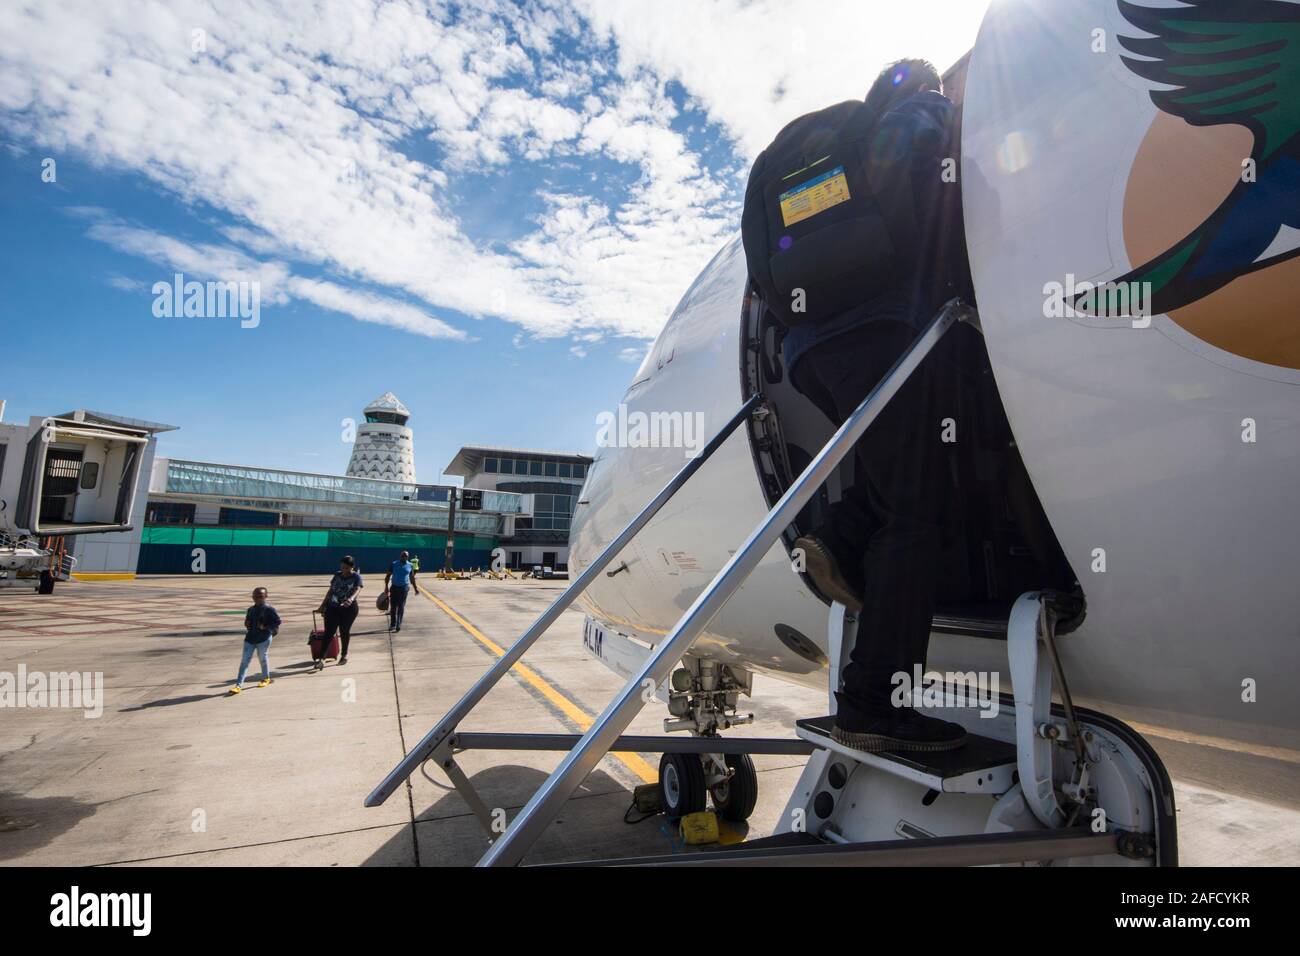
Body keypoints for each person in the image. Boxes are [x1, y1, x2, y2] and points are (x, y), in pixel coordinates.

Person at [785, 60, 966, 754]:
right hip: (877, 330)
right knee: (918, 510)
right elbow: (916, 160)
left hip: (813, 350)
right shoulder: (910, 113)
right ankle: (875, 702)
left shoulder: (827, 155)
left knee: (896, 471)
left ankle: (836, 537)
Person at [230, 586, 279, 695]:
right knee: (244, 662)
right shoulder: (250, 610)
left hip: (264, 638)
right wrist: (247, 624)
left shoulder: (269, 609)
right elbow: (247, 622)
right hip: (250, 638)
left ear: (266, 596)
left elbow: (277, 622)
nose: (257, 598)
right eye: (255, 596)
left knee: (262, 658)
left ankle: (266, 678)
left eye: (260, 596)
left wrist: (265, 628)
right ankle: (238, 685)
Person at [316, 555, 363, 669]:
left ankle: (344, 655)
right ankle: (321, 658)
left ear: (352, 567)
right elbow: (331, 590)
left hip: (349, 609)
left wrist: (351, 599)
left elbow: (358, 588)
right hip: (332, 607)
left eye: (346, 568)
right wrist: (323, 605)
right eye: (342, 567)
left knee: (344, 631)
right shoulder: (337, 575)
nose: (344, 570)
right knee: (329, 632)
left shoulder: (356, 576)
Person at [383, 550, 414, 632]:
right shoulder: (394, 564)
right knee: (393, 606)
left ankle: (398, 624)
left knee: (401, 606)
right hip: (394, 587)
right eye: (403, 555)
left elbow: (412, 577)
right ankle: (392, 624)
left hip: (404, 588)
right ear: (400, 556)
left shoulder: (410, 565)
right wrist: (386, 587)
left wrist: (415, 587)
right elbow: (387, 576)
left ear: (408, 557)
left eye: (406, 556)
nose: (404, 557)